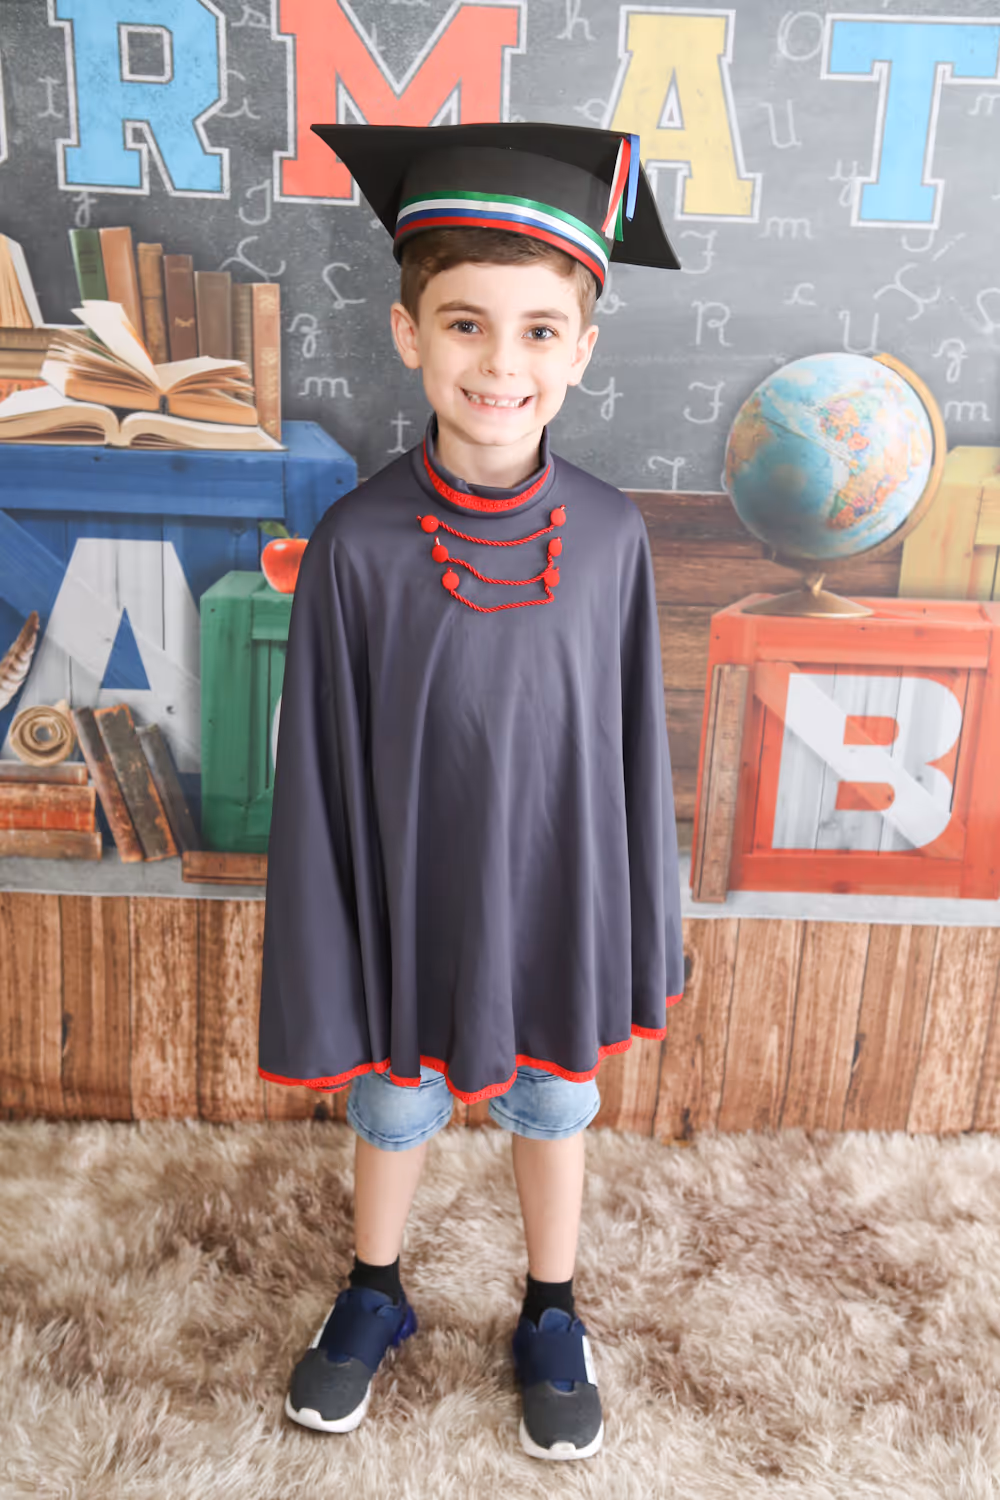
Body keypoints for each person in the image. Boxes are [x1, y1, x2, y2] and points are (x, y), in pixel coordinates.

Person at [258, 121, 685, 1462]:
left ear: (583, 348)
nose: (502, 363)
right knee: (396, 1104)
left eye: (540, 331)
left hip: (553, 889)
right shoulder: (356, 543)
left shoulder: (609, 536)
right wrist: (338, 932)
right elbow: (322, 765)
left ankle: (550, 1308)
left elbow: (629, 748)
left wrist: (630, 909)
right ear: (408, 334)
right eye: (465, 325)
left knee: (554, 1101)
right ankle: (375, 1288)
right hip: (409, 889)